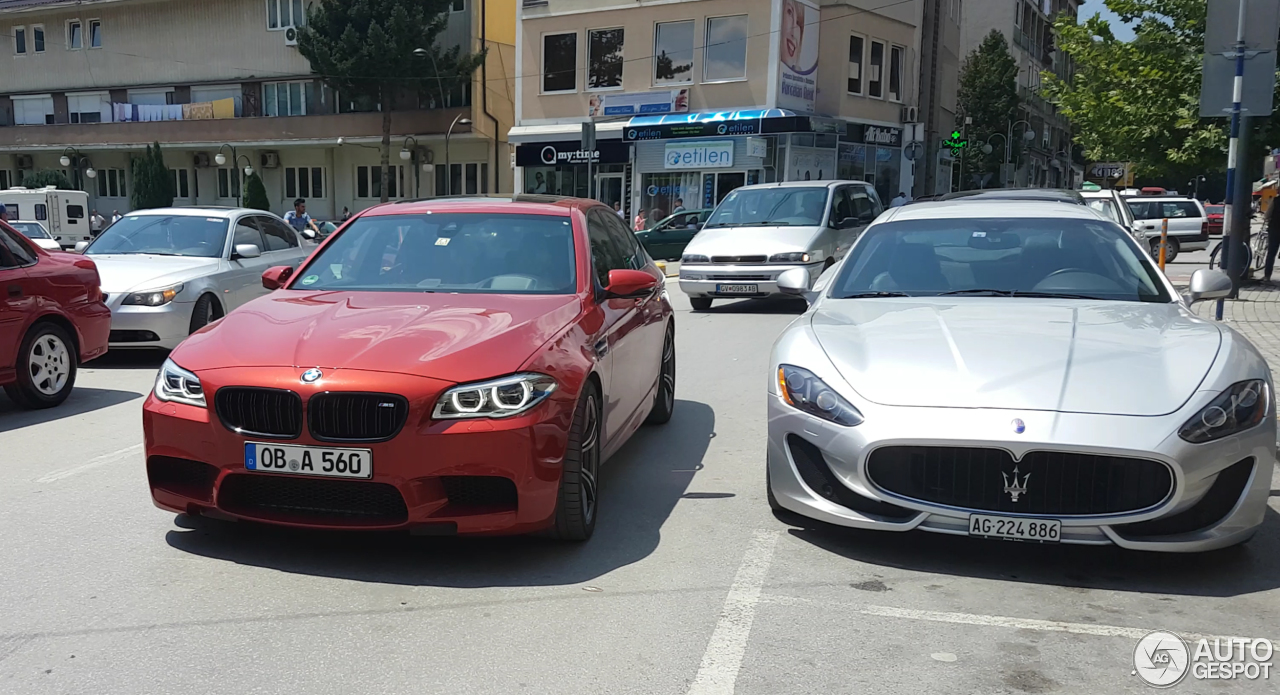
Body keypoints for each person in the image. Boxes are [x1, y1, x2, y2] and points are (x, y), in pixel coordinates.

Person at [1264, 199, 1280, 282]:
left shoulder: (1275, 201)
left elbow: (1267, 214)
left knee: (1271, 253)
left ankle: (1267, 276)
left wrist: (1266, 219)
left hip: (1275, 229)